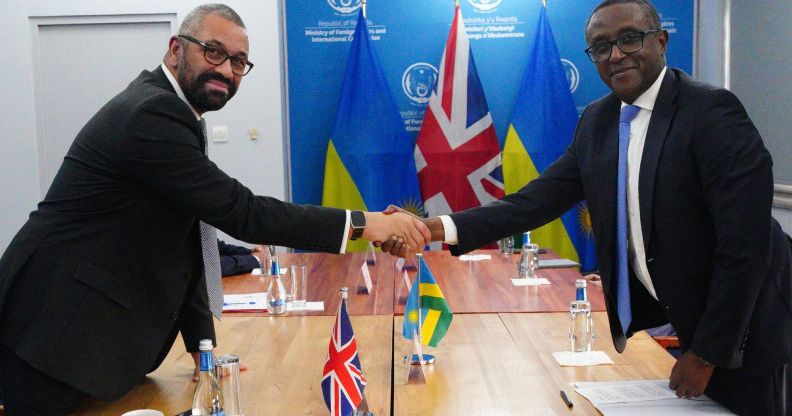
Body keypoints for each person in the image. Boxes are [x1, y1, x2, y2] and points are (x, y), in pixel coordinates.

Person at [0, 4, 429, 414]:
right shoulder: (151, 114)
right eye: (213, 52)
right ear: (175, 49)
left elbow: (187, 238)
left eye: (238, 61)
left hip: (88, 345)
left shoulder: (178, 116)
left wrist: (202, 349)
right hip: (51, 337)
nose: (226, 69)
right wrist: (364, 223)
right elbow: (243, 213)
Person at [383, 1, 792, 414]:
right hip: (687, 323)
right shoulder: (599, 121)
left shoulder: (711, 113)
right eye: (601, 46)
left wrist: (706, 354)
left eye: (629, 39)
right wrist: (428, 229)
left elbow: (746, 246)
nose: (615, 55)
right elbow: (533, 202)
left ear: (661, 41)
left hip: (745, 330)